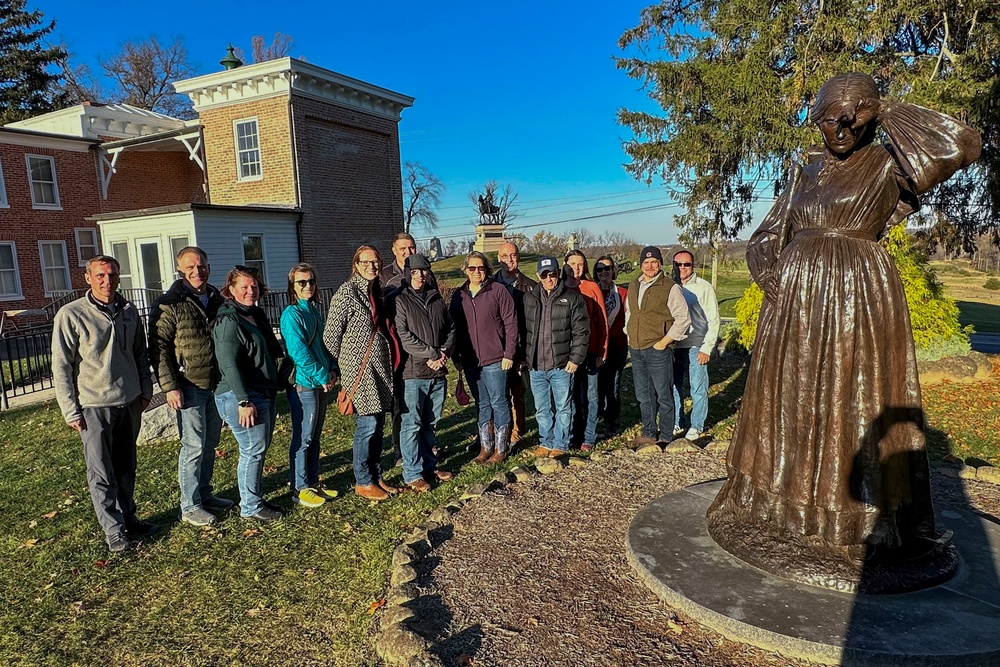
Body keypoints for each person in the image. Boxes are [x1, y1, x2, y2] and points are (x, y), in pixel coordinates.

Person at [707, 73, 982, 558]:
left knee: (850, 398)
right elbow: (769, 232)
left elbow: (963, 144)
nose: (842, 127)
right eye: (831, 118)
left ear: (869, 115)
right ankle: (780, 503)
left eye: (854, 117)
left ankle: (852, 515)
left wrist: (888, 111)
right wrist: (769, 270)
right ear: (815, 119)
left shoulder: (885, 164)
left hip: (857, 294)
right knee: (788, 401)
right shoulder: (803, 170)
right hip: (792, 304)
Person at [52, 256, 155, 553]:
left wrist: (145, 390)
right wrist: (70, 409)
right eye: (99, 275)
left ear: (119, 277)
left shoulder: (129, 311)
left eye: (111, 275)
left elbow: (140, 354)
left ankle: (129, 518)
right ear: (88, 278)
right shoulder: (71, 315)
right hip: (94, 406)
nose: (106, 281)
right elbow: (61, 366)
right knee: (101, 473)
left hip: (130, 402)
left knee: (126, 468)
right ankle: (114, 531)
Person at [148, 246, 230, 527]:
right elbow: (159, 348)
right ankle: (190, 505)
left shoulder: (218, 299)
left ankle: (205, 494)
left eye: (202, 266)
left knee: (210, 443)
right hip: (188, 385)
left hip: (216, 384)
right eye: (191, 267)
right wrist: (170, 386)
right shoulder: (170, 303)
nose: (198, 271)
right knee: (193, 446)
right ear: (180, 270)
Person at [324, 245, 399, 501]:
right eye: (365, 262)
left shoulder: (374, 291)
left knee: (378, 426)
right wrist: (347, 362)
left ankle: (376, 475)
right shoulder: (347, 293)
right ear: (355, 265)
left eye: (375, 262)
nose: (371, 266)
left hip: (379, 369)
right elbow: (331, 336)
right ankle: (363, 480)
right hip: (360, 371)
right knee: (367, 425)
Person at [213, 266, 284, 522]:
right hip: (239, 395)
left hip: (261, 390)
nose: (249, 291)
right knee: (252, 449)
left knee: (258, 448)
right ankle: (251, 507)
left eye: (253, 286)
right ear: (231, 289)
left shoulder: (254, 314)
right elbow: (228, 363)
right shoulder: (229, 320)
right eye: (243, 286)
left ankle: (255, 497)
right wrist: (244, 400)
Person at [392, 254, 456, 490]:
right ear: (408, 273)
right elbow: (404, 336)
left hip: (437, 372)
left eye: (424, 271)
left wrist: (444, 352)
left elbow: (450, 328)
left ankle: (429, 465)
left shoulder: (436, 297)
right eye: (416, 271)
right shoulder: (400, 300)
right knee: (412, 424)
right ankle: (412, 473)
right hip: (413, 372)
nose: (420, 275)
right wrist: (431, 353)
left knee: (431, 423)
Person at [280, 263, 339, 509]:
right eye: (301, 282)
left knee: (314, 436)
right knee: (303, 436)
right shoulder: (291, 315)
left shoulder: (314, 310)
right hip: (304, 384)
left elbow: (324, 345)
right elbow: (298, 352)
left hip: (321, 380)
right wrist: (321, 375)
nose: (307, 286)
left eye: (311, 282)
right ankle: (299, 487)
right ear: (292, 287)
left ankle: (312, 481)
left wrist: (333, 368)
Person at [450, 252, 518, 464]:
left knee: (499, 402)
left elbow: (511, 324)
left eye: (480, 268)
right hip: (471, 361)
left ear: (487, 269)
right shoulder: (459, 295)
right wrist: (456, 357)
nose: (477, 272)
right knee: (482, 403)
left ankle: (501, 449)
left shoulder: (498, 291)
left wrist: (509, 353)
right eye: (472, 268)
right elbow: (454, 328)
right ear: (465, 270)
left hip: (496, 358)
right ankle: (485, 447)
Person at [522, 256, 590, 456]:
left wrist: (575, 359)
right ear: (538, 276)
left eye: (552, 274)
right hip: (536, 366)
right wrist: (523, 358)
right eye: (545, 275)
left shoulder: (572, 298)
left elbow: (582, 331)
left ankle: (561, 444)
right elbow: (522, 329)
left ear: (558, 274)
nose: (549, 278)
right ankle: (546, 442)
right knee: (542, 409)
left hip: (561, 365)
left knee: (563, 408)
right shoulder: (529, 298)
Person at [624, 246, 691, 446]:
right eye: (646, 262)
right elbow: (630, 313)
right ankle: (649, 432)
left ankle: (666, 436)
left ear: (660, 264)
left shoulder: (670, 287)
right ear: (641, 264)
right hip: (636, 348)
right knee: (644, 395)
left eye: (654, 262)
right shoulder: (634, 285)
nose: (650, 266)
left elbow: (683, 318)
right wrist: (629, 335)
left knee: (663, 394)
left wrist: (664, 342)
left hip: (658, 349)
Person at [670, 250, 720, 441]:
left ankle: (696, 424)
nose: (682, 268)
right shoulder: (670, 286)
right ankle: (677, 420)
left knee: (697, 387)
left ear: (693, 266)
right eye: (678, 264)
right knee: (674, 386)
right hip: (674, 345)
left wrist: (707, 347)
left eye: (686, 264)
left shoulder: (703, 287)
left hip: (696, 345)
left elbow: (714, 319)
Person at [379, 232, 419, 465]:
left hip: (420, 350)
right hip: (396, 349)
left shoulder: (424, 272)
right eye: (403, 249)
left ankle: (424, 444)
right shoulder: (384, 277)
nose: (408, 252)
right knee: (400, 404)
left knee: (420, 402)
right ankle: (399, 449)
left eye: (411, 248)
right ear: (394, 250)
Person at [563, 250, 608, 451]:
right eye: (572, 263)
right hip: (568, 353)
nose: (576, 268)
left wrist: (602, 350)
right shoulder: (560, 287)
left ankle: (589, 436)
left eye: (580, 264)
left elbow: (602, 321)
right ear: (565, 264)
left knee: (591, 394)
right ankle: (574, 434)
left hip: (590, 351)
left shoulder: (591, 287)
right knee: (571, 396)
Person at [495, 241, 537, 447]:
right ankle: (500, 430)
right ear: (498, 258)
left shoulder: (530, 286)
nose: (509, 260)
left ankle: (517, 432)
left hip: (520, 347)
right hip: (495, 347)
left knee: (517, 393)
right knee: (497, 394)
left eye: (513, 255)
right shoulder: (491, 283)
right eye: (505, 256)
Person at [594, 255, 629, 436]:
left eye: (607, 268)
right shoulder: (593, 291)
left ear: (613, 270)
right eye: (599, 269)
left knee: (613, 384)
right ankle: (597, 419)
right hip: (597, 346)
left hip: (617, 345)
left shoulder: (623, 293)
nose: (603, 273)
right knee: (597, 385)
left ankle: (612, 422)